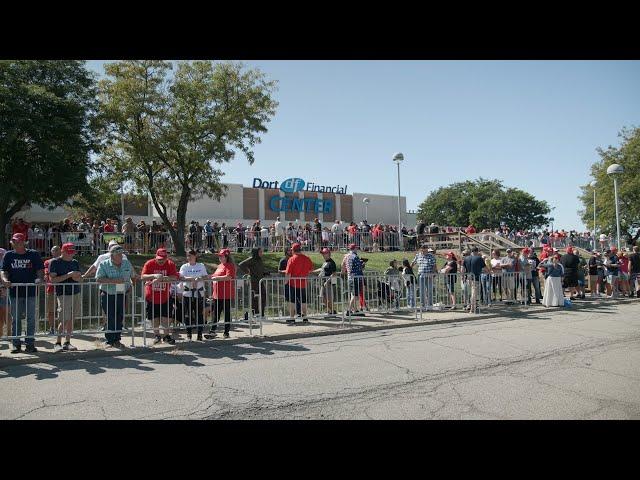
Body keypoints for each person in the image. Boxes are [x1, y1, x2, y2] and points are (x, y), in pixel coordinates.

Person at [1, 233, 45, 354]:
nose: (17, 244)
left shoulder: (33, 254)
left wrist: (40, 279)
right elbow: (4, 271)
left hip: (30, 291)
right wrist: (5, 280)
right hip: (14, 292)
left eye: (19, 242)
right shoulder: (8, 255)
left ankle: (30, 343)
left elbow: (40, 270)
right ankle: (16, 344)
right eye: (15, 242)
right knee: (16, 319)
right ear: (12, 242)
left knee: (31, 319)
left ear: (24, 242)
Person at [95, 244, 135, 348]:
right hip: (108, 293)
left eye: (121, 254)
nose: (121, 256)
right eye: (118, 254)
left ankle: (117, 339)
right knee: (110, 316)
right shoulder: (104, 264)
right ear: (112, 255)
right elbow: (98, 279)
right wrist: (113, 281)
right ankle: (109, 340)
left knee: (119, 316)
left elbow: (133, 275)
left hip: (121, 293)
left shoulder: (126, 263)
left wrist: (131, 285)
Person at [48, 243, 84, 352]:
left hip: (76, 293)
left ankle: (67, 342)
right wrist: (69, 275)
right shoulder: (55, 262)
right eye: (69, 252)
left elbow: (80, 279)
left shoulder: (75, 262)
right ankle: (58, 343)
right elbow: (53, 280)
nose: (71, 255)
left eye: (72, 252)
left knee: (72, 319)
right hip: (63, 294)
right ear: (62, 252)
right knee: (64, 319)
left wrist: (78, 277)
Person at [141, 248, 179, 345]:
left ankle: (166, 336)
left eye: (163, 259)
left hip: (165, 296)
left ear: (167, 258)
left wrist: (162, 278)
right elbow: (143, 276)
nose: (161, 261)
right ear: (155, 257)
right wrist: (154, 276)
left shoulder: (170, 264)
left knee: (166, 318)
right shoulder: (149, 263)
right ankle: (157, 335)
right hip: (151, 296)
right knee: (154, 318)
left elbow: (174, 277)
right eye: (159, 259)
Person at [205, 248, 236, 339]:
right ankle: (212, 331)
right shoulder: (220, 266)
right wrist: (208, 277)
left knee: (226, 313)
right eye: (219, 256)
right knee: (216, 313)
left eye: (221, 256)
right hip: (217, 294)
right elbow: (215, 276)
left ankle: (226, 332)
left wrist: (217, 278)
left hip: (226, 294)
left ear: (226, 257)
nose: (220, 257)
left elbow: (229, 277)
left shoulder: (230, 266)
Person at [285, 243, 314, 324]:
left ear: (293, 250)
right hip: (303, 283)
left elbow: (288, 273)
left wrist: (285, 282)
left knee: (292, 301)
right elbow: (311, 269)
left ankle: (292, 318)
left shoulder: (291, 259)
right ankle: (305, 317)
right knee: (303, 301)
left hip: (293, 284)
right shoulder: (307, 258)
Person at [239, 247, 268, 318]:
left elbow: (259, 269)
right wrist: (248, 272)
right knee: (254, 298)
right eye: (260, 252)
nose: (262, 253)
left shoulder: (260, 260)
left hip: (260, 281)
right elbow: (241, 264)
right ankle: (255, 313)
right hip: (253, 282)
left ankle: (262, 313)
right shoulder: (251, 259)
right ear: (256, 253)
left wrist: (264, 273)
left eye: (262, 252)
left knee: (263, 296)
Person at [411, 243, 437, 311]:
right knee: (422, 291)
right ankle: (422, 305)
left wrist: (433, 274)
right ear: (420, 250)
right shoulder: (418, 256)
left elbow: (434, 266)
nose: (425, 251)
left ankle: (430, 305)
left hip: (429, 275)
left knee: (429, 291)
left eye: (426, 250)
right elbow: (413, 263)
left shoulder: (431, 256)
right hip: (421, 275)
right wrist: (409, 268)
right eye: (423, 250)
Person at [342, 243, 366, 316]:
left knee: (353, 294)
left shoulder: (346, 256)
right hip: (356, 277)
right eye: (356, 248)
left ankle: (355, 310)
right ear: (354, 248)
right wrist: (363, 264)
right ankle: (349, 310)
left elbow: (343, 264)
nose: (357, 249)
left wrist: (343, 271)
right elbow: (359, 268)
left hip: (350, 277)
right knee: (355, 295)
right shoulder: (355, 256)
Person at [313, 247, 337, 315]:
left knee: (329, 299)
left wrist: (328, 281)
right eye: (322, 254)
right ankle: (332, 310)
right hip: (323, 282)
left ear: (328, 254)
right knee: (321, 297)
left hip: (329, 283)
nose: (323, 255)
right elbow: (322, 269)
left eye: (324, 253)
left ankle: (332, 311)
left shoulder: (332, 262)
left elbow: (334, 274)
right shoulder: (325, 262)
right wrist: (312, 271)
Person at [462, 246, 486, 313]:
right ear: (477, 251)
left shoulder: (466, 258)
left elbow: (462, 269)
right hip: (476, 278)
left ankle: (469, 306)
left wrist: (463, 277)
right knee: (474, 294)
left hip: (468, 278)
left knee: (470, 293)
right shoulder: (479, 258)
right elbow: (485, 268)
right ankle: (472, 309)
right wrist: (488, 271)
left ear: (471, 251)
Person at [44, 245, 61, 335]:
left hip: (63, 289)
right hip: (51, 289)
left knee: (62, 310)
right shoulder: (47, 262)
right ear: (51, 252)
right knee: (51, 310)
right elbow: (48, 275)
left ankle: (61, 329)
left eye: (58, 250)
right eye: (54, 250)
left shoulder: (64, 261)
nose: (56, 252)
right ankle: (52, 328)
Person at [0, 248, 11, 340]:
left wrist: (4, 288)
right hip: (3, 291)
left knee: (6, 313)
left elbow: (6, 276)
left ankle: (9, 334)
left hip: (4, 291)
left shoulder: (6, 263)